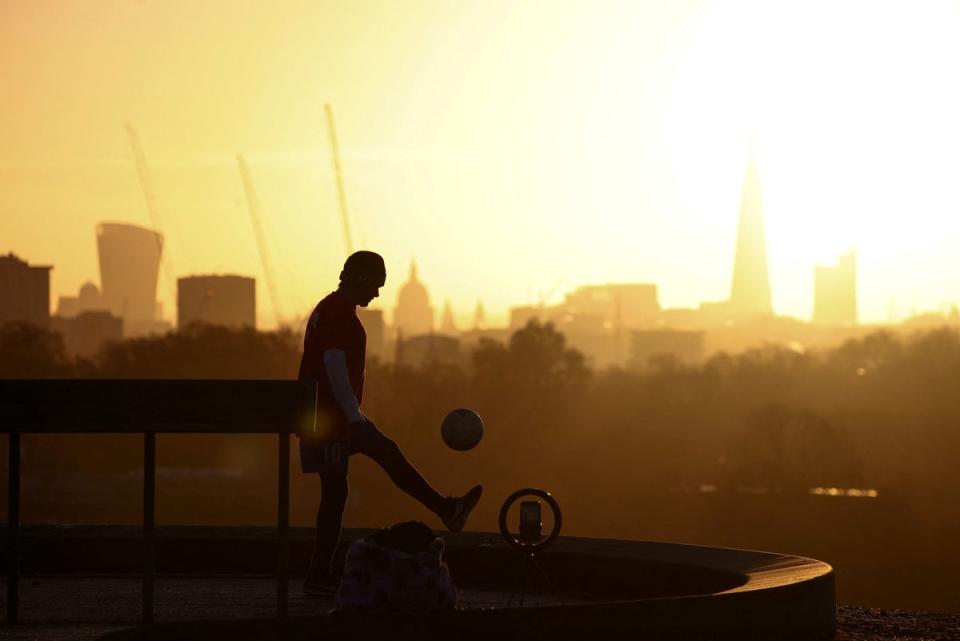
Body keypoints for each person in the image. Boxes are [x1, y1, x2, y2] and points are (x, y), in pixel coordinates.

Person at [298, 250, 482, 594]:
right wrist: (354, 417)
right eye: (377, 285)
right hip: (332, 421)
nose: (378, 294)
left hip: (319, 418)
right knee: (385, 456)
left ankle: (318, 574)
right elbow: (335, 366)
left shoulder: (329, 309)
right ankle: (447, 510)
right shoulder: (341, 315)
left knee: (339, 491)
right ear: (363, 279)